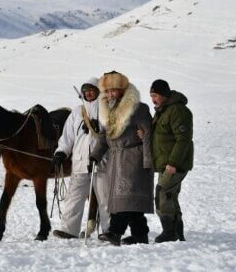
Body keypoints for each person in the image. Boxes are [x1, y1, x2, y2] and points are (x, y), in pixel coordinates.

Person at [89, 71, 154, 246]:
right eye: (108, 91)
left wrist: (148, 160)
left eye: (114, 90)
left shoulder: (139, 108)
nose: (111, 94)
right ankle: (140, 235)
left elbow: (148, 134)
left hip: (134, 158)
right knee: (128, 202)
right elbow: (103, 137)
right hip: (116, 160)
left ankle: (114, 232)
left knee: (125, 199)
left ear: (123, 89)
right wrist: (94, 156)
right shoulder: (106, 110)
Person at [51, 77, 110, 239]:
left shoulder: (107, 109)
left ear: (98, 91)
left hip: (102, 161)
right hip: (80, 161)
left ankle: (109, 230)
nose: (88, 94)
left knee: (105, 197)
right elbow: (67, 136)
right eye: (85, 91)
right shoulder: (77, 112)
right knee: (74, 196)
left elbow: (113, 132)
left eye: (91, 90)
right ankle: (69, 229)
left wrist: (100, 128)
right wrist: (61, 151)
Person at [148, 79, 193, 242]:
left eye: (156, 95)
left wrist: (173, 163)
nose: (153, 99)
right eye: (151, 95)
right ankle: (177, 233)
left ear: (165, 95)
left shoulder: (177, 111)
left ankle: (169, 233)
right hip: (166, 164)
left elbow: (183, 139)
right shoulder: (163, 110)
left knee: (162, 193)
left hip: (174, 165)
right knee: (170, 197)